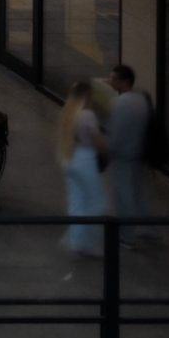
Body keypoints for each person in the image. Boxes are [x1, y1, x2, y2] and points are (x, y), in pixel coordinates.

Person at [106, 64, 156, 242]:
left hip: (122, 156)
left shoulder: (120, 103)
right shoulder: (142, 100)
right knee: (139, 192)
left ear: (124, 81)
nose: (110, 81)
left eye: (113, 78)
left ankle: (126, 235)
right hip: (139, 154)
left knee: (123, 195)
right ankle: (148, 229)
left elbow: (116, 134)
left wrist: (108, 151)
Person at [62, 79, 109, 257]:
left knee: (77, 201)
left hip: (69, 158)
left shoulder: (68, 112)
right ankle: (89, 242)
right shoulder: (87, 115)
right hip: (85, 158)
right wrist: (106, 152)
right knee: (96, 201)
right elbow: (96, 140)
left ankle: (76, 241)